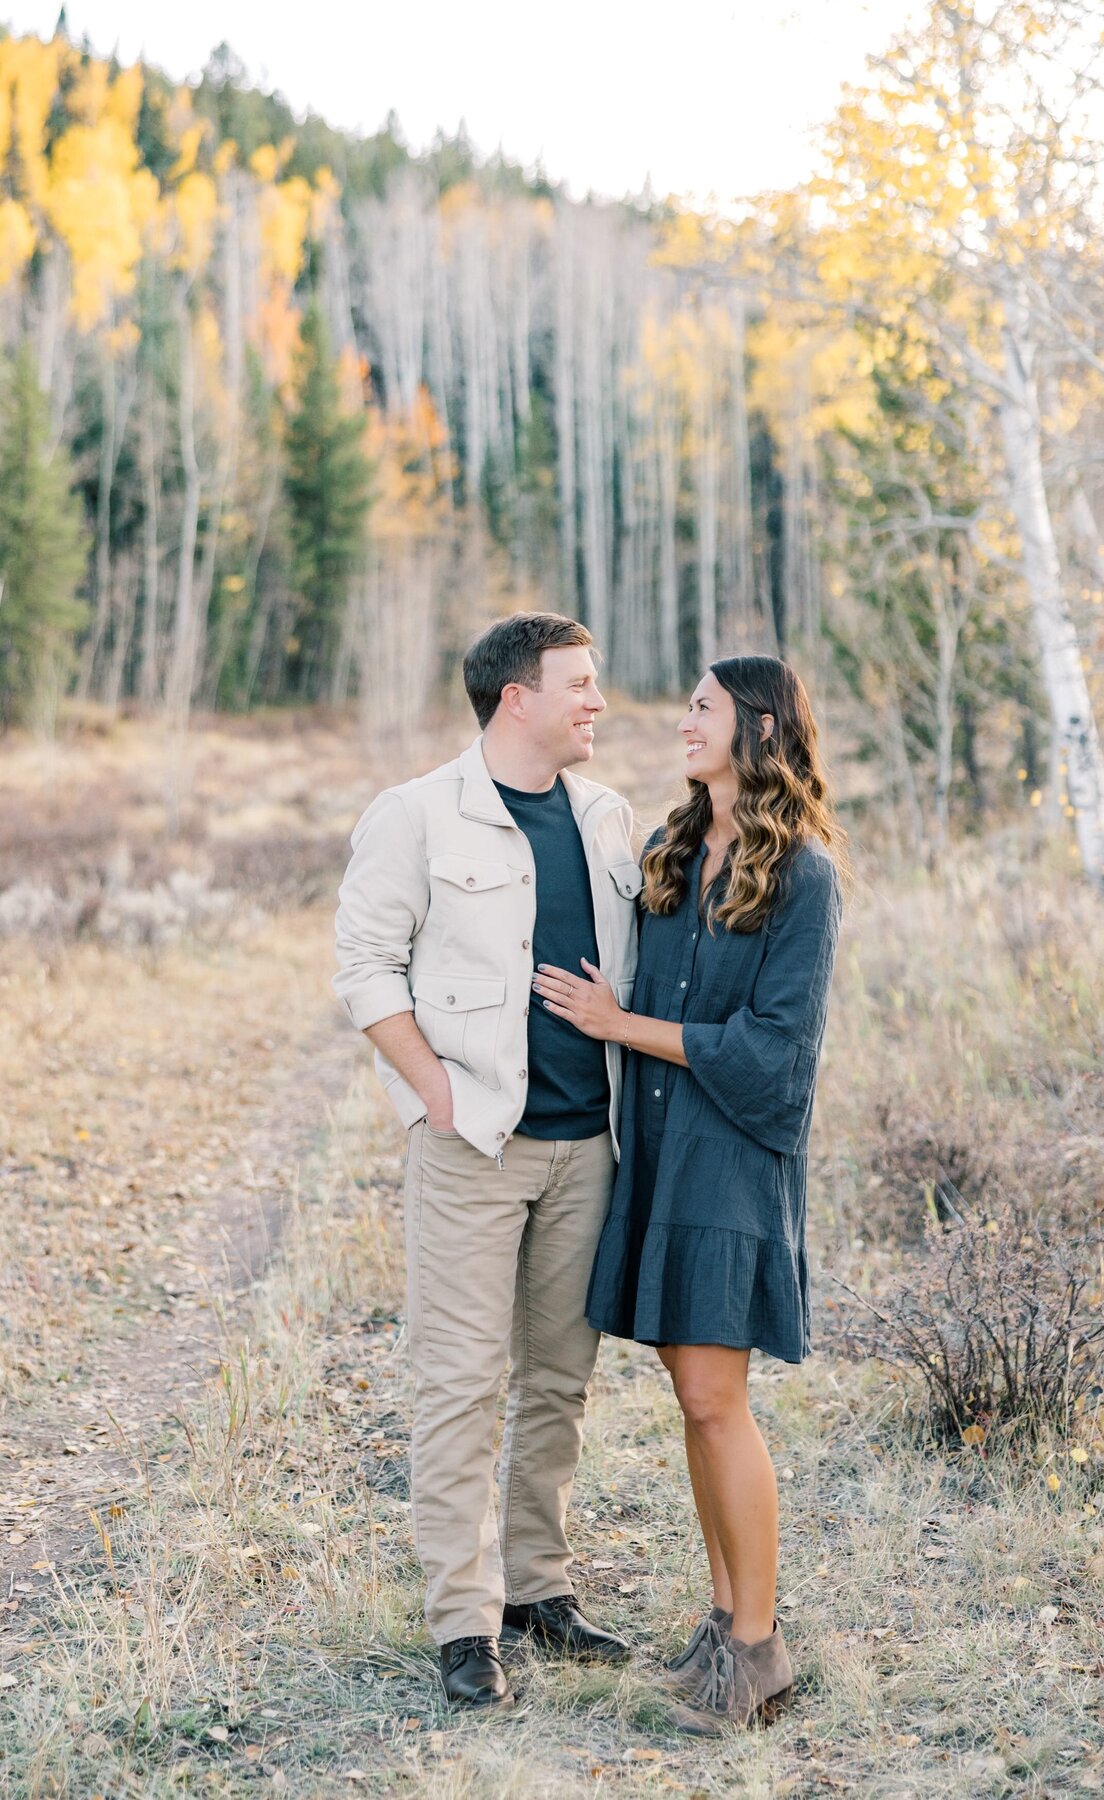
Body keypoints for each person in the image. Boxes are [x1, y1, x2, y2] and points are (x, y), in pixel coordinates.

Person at [531, 655, 846, 1735]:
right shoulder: (673, 849)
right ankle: (721, 1621)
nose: (681, 721)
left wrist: (623, 1028)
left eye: (702, 707)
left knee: (719, 1401)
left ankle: (759, 1650)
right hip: (660, 1150)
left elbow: (777, 1055)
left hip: (733, 1163)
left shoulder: (801, 875)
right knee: (691, 1400)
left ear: (758, 726)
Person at [333, 613, 642, 1709]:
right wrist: (437, 1093)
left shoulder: (610, 819)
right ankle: (466, 1623)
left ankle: (539, 1593)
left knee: (560, 1382)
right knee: (461, 1386)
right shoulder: (417, 815)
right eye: (581, 685)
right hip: (473, 1150)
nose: (597, 703)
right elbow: (364, 968)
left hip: (585, 1150)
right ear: (518, 697)